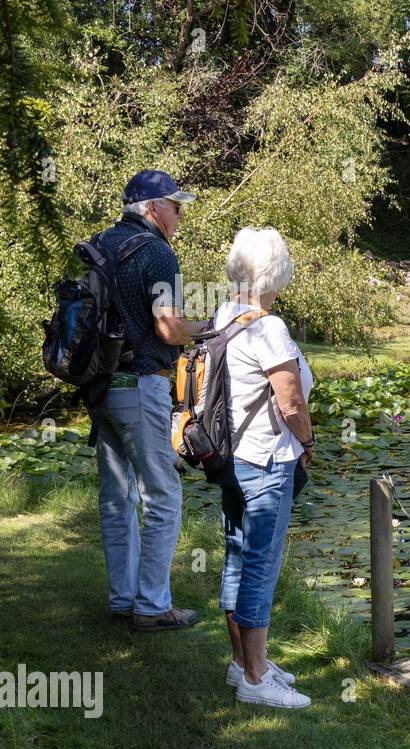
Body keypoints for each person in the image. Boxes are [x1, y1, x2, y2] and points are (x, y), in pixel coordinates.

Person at [97, 170, 208, 631]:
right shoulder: (158, 254)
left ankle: (124, 599)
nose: (180, 214)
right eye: (175, 205)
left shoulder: (98, 245)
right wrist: (211, 327)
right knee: (162, 494)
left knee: (116, 498)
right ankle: (152, 607)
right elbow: (167, 328)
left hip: (101, 387)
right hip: (143, 384)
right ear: (151, 208)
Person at [213, 227, 315, 709]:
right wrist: (308, 443)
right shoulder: (268, 327)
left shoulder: (225, 314)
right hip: (267, 460)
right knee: (260, 566)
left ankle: (242, 663)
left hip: (231, 458)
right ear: (275, 273)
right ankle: (256, 680)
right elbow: (291, 403)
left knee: (237, 555)